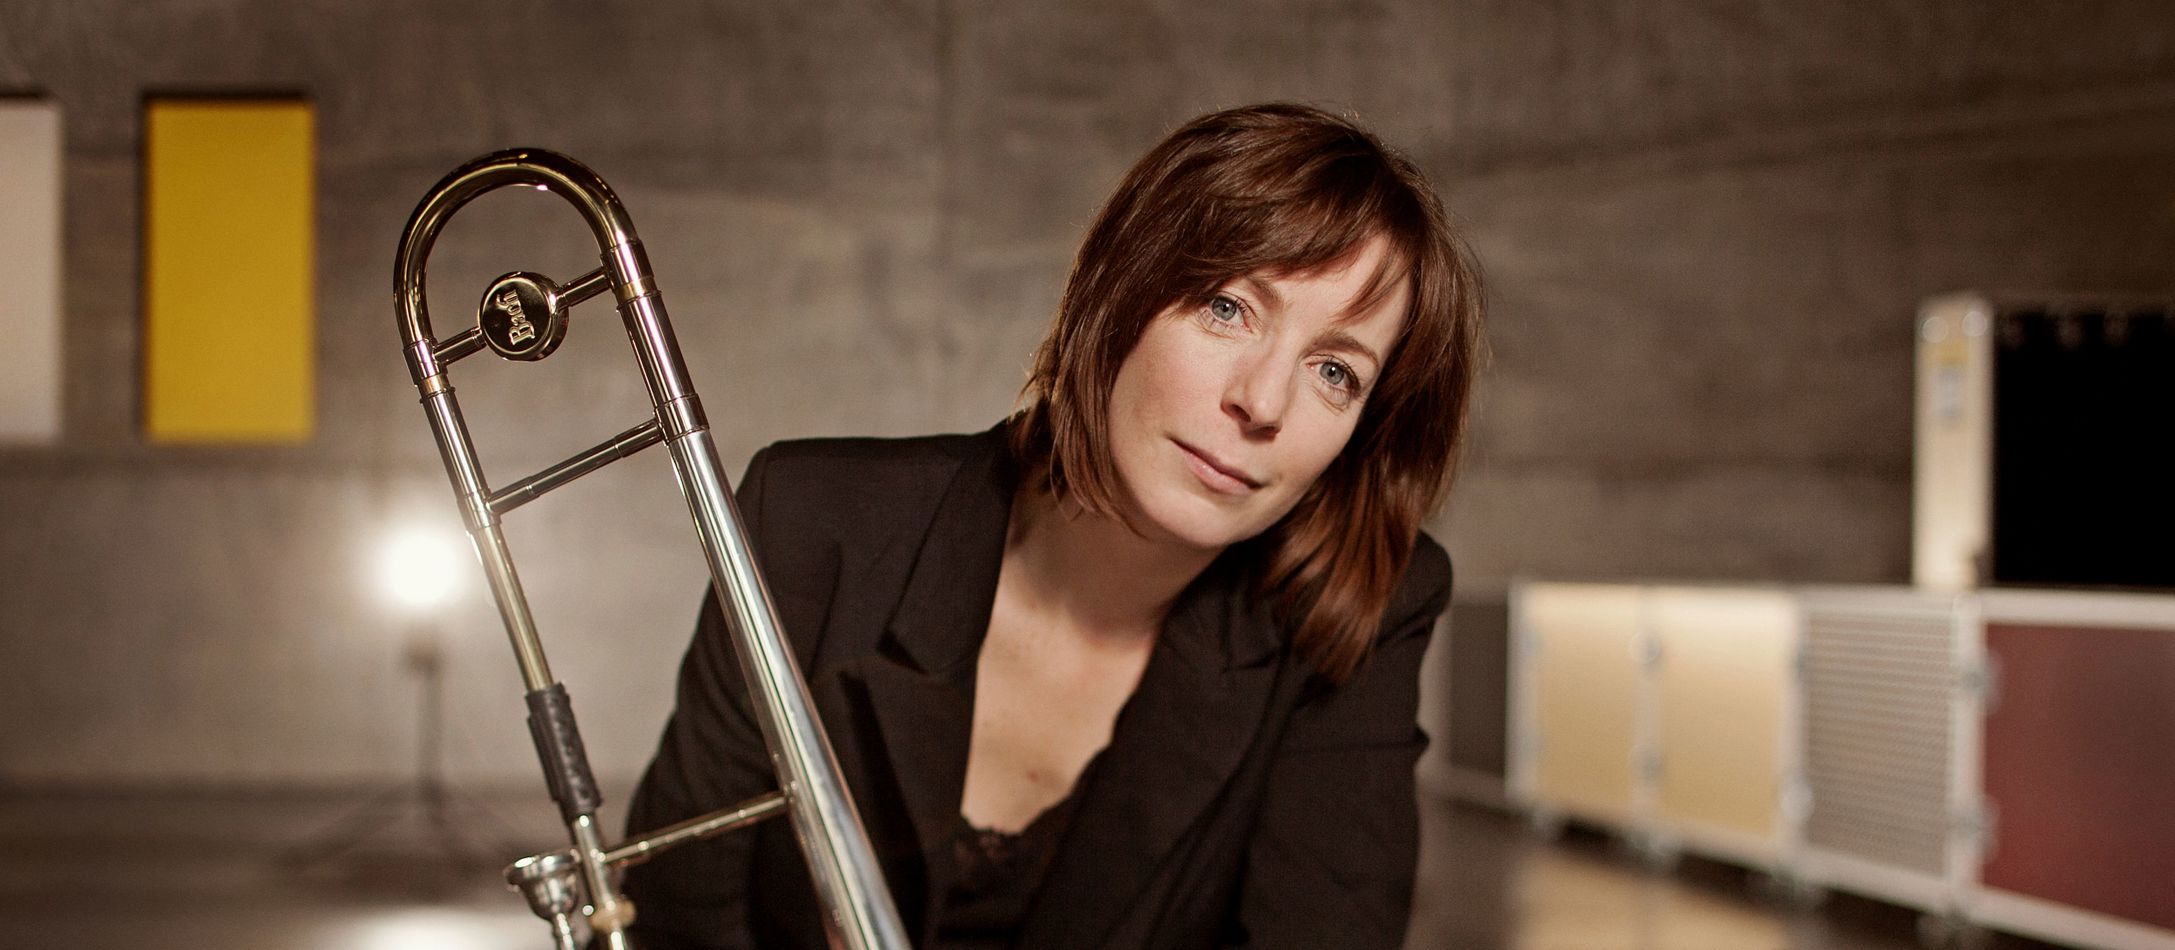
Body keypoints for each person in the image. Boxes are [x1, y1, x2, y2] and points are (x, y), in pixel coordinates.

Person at [621, 102, 1484, 950]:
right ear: (1122, 291)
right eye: (1227, 308)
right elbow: (676, 922)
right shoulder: (812, 522)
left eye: (1334, 371)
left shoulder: (1361, 601)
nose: (1261, 402)